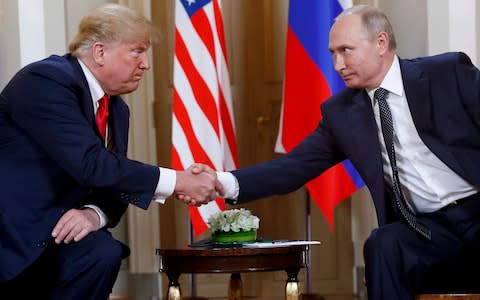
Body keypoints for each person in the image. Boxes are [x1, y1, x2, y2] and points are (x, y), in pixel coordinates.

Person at [188, 4, 480, 300]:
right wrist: (220, 182)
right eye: (332, 53)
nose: (338, 64)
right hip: (429, 233)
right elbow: (293, 167)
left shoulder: (447, 73)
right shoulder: (342, 113)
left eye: (346, 50)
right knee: (384, 243)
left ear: (381, 43)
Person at [0, 3, 217, 299]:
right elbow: (91, 163)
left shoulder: (116, 109)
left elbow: (114, 179)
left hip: (57, 231)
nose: (146, 64)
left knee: (102, 253)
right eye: (137, 51)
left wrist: (94, 214)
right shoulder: (46, 81)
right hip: (13, 231)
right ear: (100, 52)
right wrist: (178, 180)